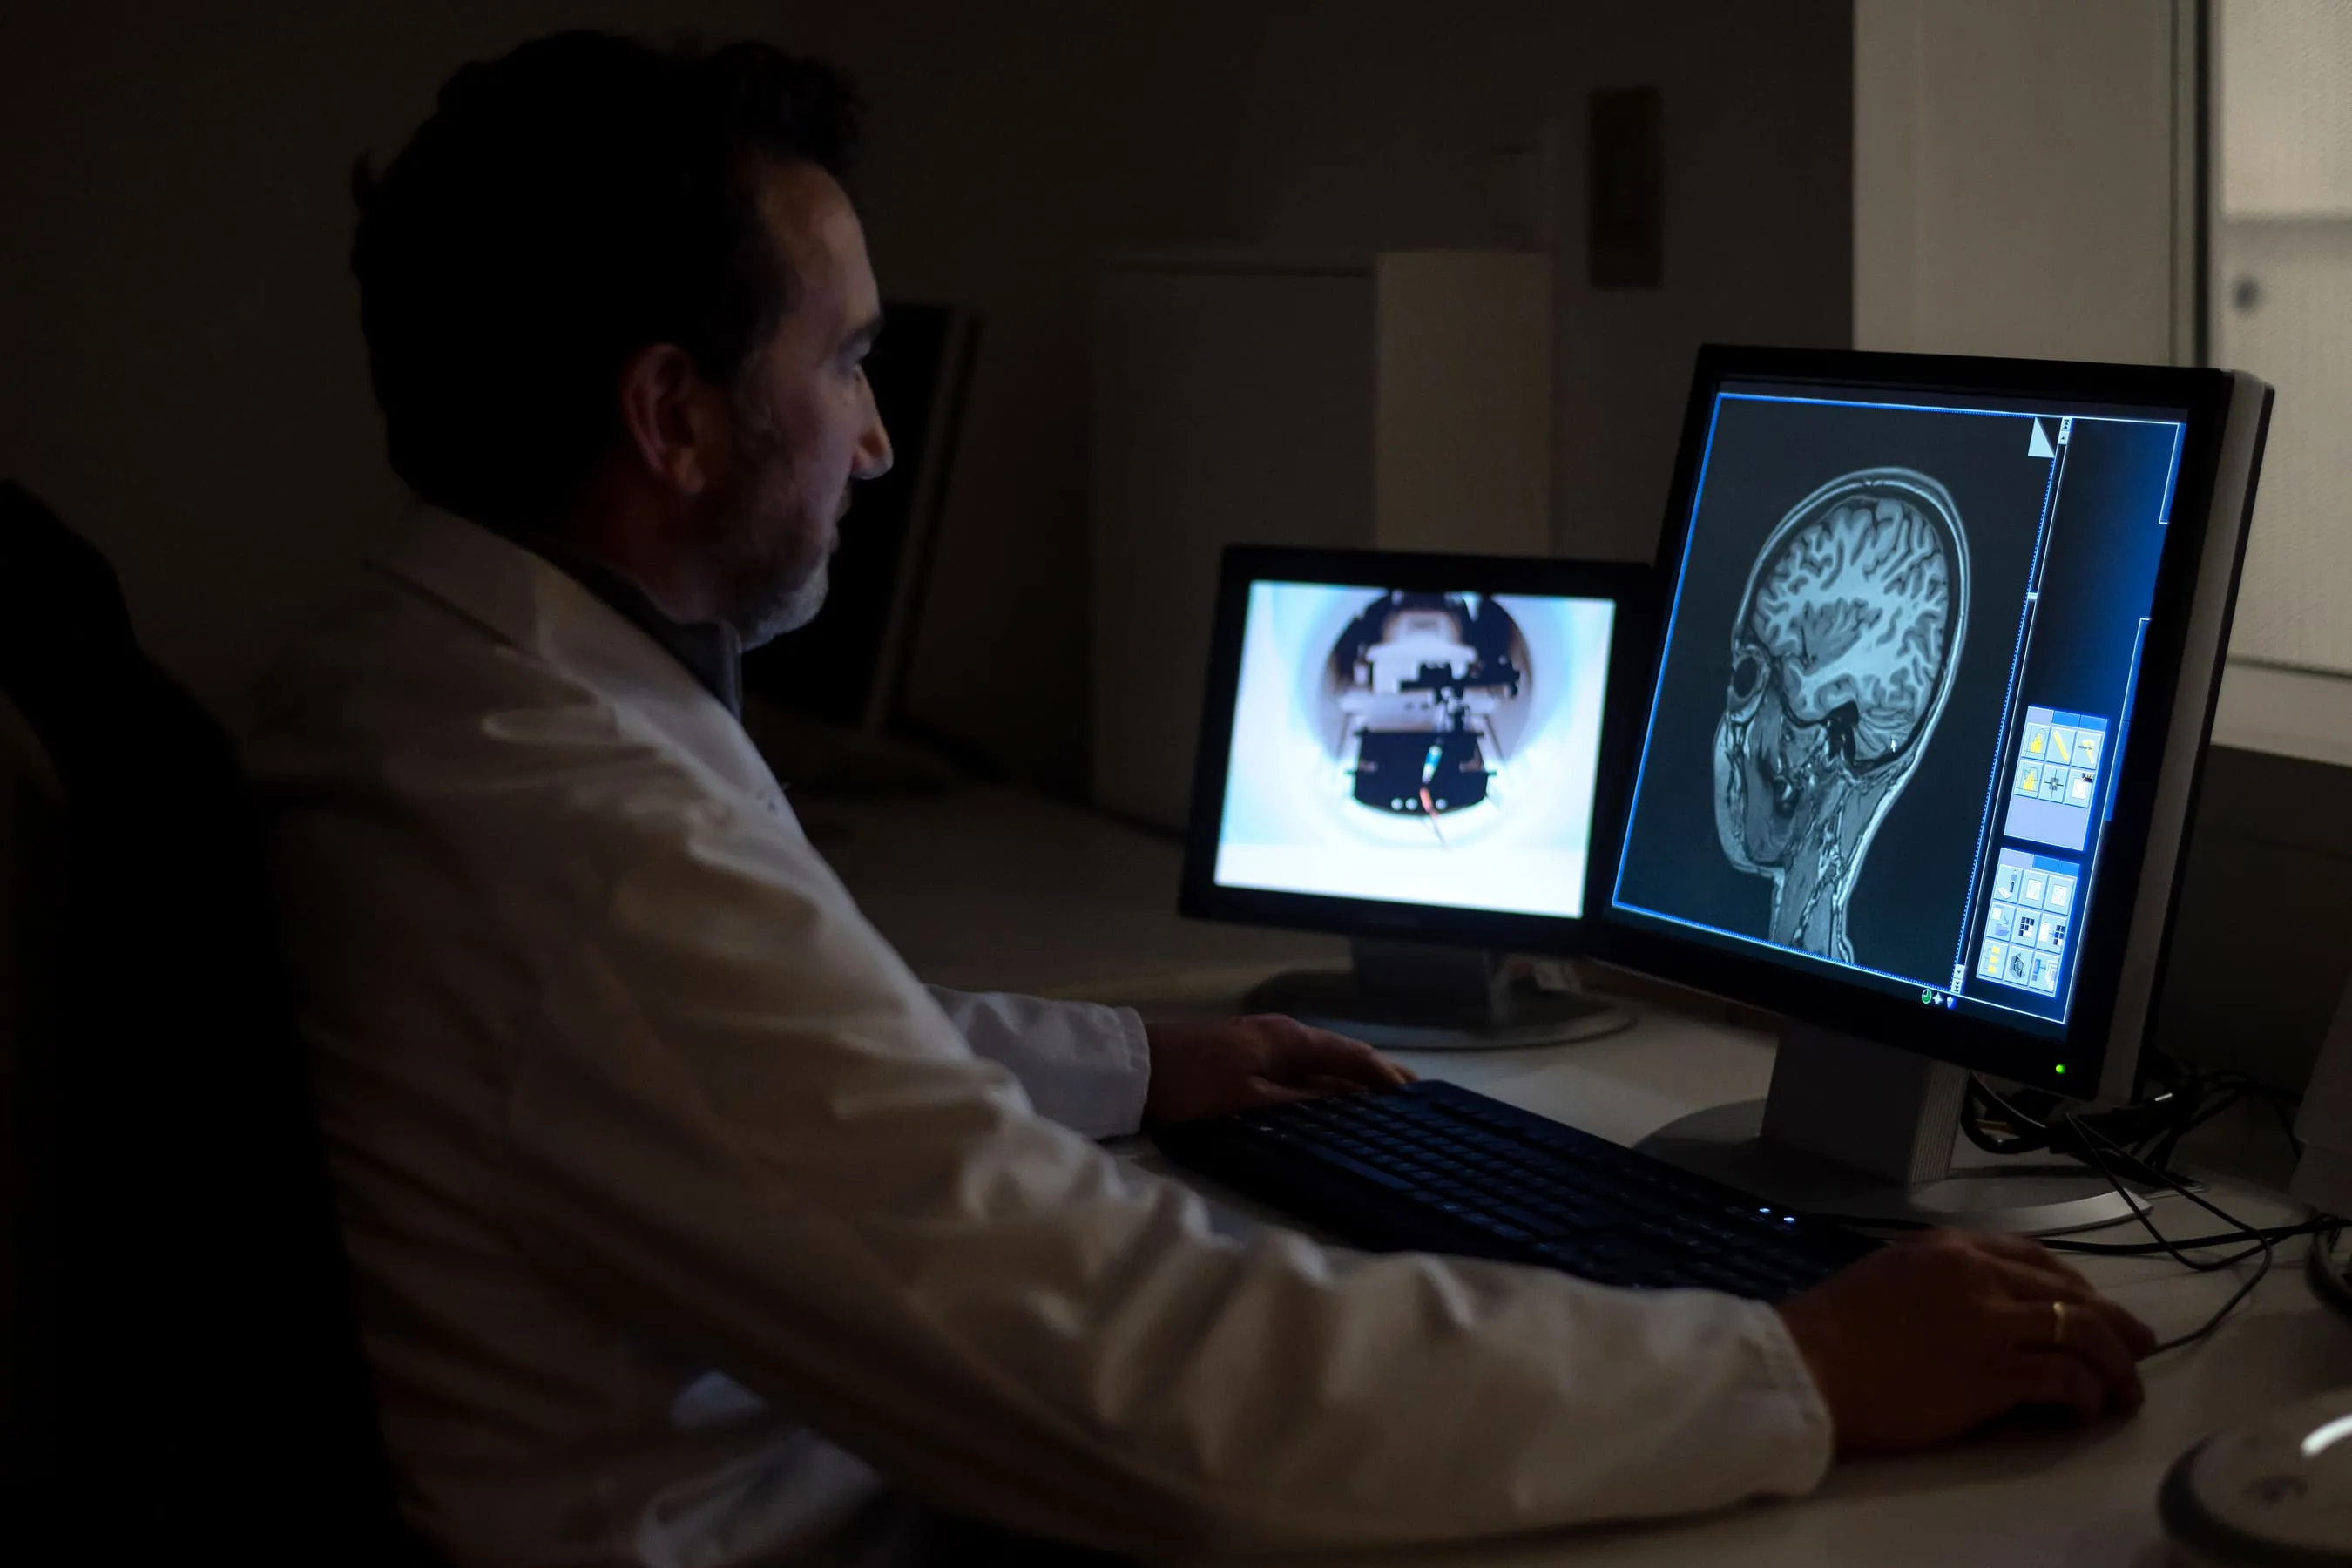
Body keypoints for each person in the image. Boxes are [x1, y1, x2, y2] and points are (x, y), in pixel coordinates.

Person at [244, 30, 2159, 1568]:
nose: (881, 436)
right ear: (671, 416)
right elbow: (1152, 1385)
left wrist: (1125, 1065)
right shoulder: (585, 846)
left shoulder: (428, 690)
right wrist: (1799, 1365)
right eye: (844, 362)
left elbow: (761, 1070)